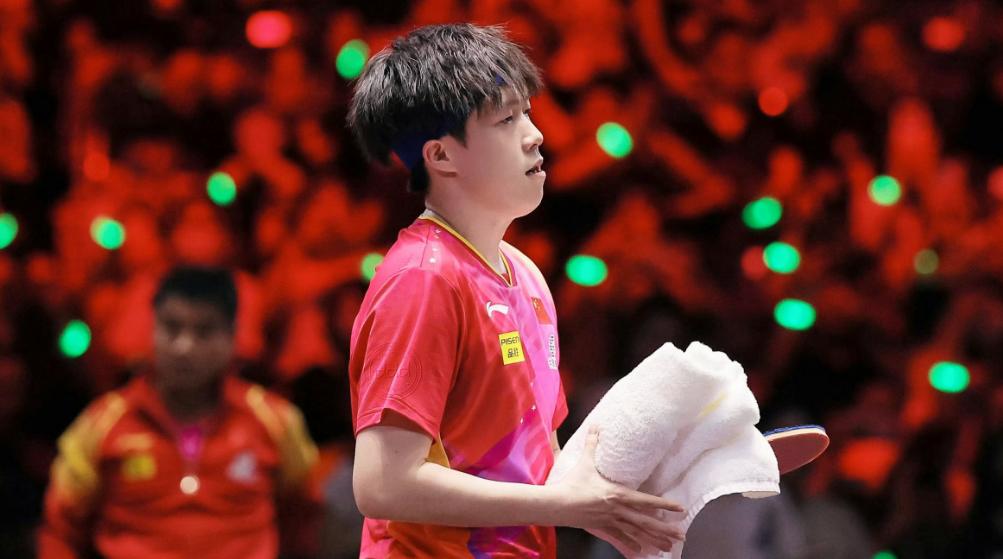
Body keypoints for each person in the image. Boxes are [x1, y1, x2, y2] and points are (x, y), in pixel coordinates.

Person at [346, 23, 685, 558]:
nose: (535, 134)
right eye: (506, 120)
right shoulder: (425, 279)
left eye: (526, 112)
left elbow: (539, 469)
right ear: (441, 157)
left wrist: (628, 493)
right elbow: (383, 482)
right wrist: (567, 506)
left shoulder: (525, 277)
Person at [38, 266, 319, 559]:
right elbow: (59, 530)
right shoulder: (102, 422)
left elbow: (303, 516)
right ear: (153, 329)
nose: (184, 346)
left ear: (232, 336)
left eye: (204, 331)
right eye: (172, 328)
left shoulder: (275, 420)